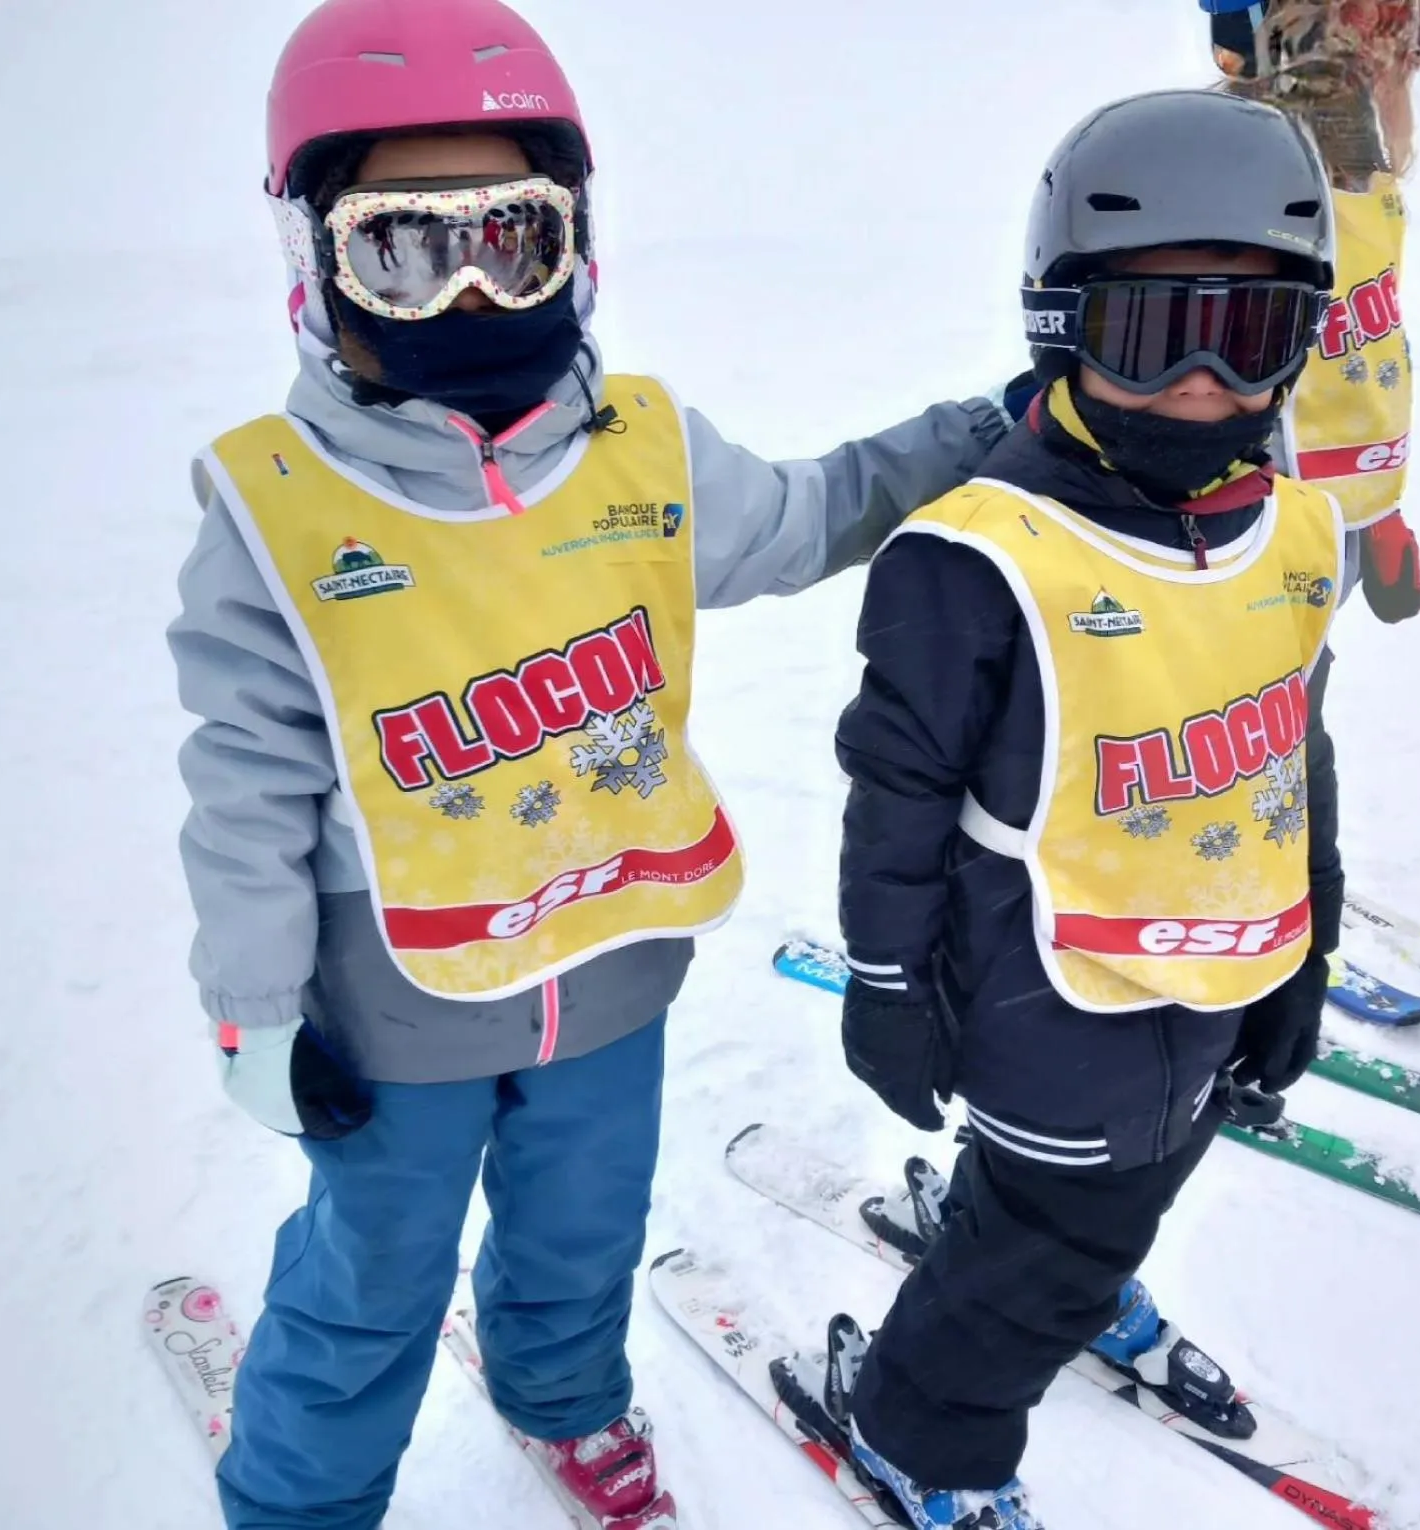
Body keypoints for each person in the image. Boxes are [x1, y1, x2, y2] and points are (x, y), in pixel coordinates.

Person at [165, 2, 1009, 1527]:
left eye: (516, 237)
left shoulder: (645, 453)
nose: (473, 289)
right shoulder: (281, 506)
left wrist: (975, 432)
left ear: (581, 240)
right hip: (398, 997)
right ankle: (302, 1497)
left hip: (612, 960)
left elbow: (814, 513)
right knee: (379, 1266)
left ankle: (561, 1393)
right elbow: (247, 781)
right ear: (317, 262)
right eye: (408, 248)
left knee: (582, 1222)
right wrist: (257, 1004)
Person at [820, 90, 1346, 1528]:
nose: (1198, 384)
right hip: (1047, 1001)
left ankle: (1039, 1241)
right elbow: (898, 793)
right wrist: (882, 982)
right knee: (1054, 1240)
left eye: (1246, 337)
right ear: (1062, 325)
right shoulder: (978, 554)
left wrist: (1310, 945)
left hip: (1218, 977)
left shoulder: (1291, 529)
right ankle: (923, 1428)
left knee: (1136, 1175)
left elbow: (1296, 735)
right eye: (1146, 330)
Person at [1203, 0, 1420, 624]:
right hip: (1231, 536)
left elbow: (1358, 338)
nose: (1390, 29)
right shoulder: (1251, 170)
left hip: (1320, 529)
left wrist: (1376, 506)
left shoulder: (1362, 177)